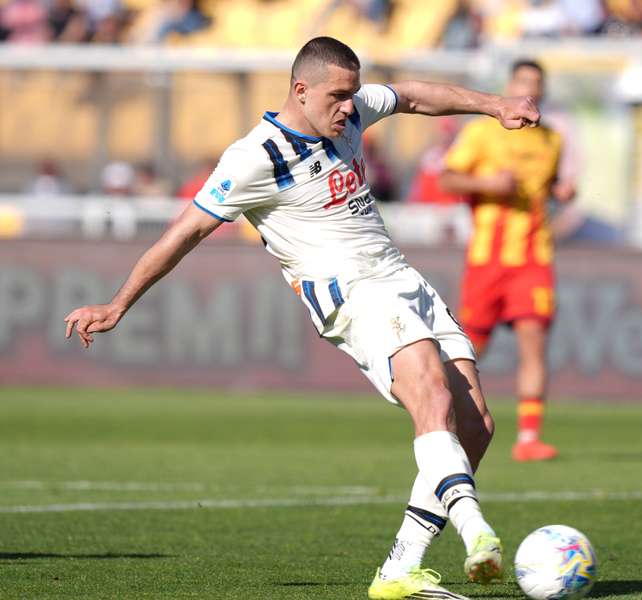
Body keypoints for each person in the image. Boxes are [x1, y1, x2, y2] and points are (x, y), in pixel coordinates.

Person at [63, 36, 542, 600]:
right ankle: (476, 533)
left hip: (399, 278)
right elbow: (187, 230)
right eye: (339, 96)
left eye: (354, 95)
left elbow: (412, 96)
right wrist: (119, 303)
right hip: (350, 292)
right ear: (301, 91)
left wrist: (493, 105)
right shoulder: (254, 157)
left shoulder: (351, 109)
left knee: (477, 425)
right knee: (431, 396)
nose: (350, 106)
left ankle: (398, 573)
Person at [439, 59, 576, 462]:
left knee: (533, 343)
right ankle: (443, 421)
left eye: (537, 85)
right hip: (487, 258)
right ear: (510, 87)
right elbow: (447, 178)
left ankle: (529, 438)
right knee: (468, 347)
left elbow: (546, 186)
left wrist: (561, 190)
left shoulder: (552, 139)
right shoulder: (481, 132)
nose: (530, 92)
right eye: (523, 83)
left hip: (534, 257)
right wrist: (487, 184)